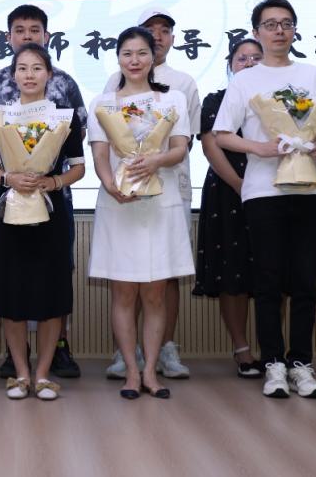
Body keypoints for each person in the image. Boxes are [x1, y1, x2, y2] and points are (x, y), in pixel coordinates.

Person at [213, 0, 316, 399]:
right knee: (267, 280)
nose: (279, 31)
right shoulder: (245, 80)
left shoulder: (313, 74)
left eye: (286, 24)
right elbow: (222, 135)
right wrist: (260, 148)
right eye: (270, 25)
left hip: (311, 189)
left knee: (305, 280)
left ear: (295, 30)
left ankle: (301, 363)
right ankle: (273, 363)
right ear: (256, 32)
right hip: (263, 191)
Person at [0, 4, 86, 380]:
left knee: (53, 285)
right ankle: (19, 367)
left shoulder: (65, 100)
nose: (29, 74)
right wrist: (9, 178)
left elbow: (77, 156)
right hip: (6, 203)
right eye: (23, 69)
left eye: (37, 68)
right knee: (11, 287)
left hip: (52, 205)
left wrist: (51, 181)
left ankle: (48, 366)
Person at [88, 26, 194, 400]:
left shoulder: (173, 99)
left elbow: (180, 148)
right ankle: (131, 372)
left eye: (141, 53)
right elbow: (100, 154)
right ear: (118, 58)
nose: (134, 60)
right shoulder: (103, 103)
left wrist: (155, 161)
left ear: (153, 57)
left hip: (161, 202)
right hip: (119, 204)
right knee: (123, 294)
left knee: (155, 295)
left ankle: (151, 371)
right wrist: (110, 185)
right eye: (127, 53)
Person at [192, 38, 265, 378]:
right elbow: (211, 146)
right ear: (230, 65)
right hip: (228, 190)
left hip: (273, 192)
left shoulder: (280, 98)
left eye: (256, 58)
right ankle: (242, 349)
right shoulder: (216, 99)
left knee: (273, 272)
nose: (248, 64)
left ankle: (271, 349)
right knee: (231, 272)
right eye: (241, 58)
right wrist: (240, 185)